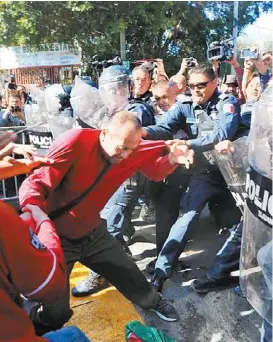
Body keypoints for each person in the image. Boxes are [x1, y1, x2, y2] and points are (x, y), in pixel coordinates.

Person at [19, 111, 194, 333]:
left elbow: (155, 171)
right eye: (122, 147)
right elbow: (36, 182)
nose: (125, 155)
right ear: (104, 133)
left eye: (132, 148)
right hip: (57, 238)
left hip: (93, 231)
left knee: (129, 272)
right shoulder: (76, 141)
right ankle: (33, 325)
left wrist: (171, 159)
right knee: (57, 313)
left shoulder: (132, 149)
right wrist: (32, 208)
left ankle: (153, 301)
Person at [143, 63, 241, 292]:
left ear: (214, 82)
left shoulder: (227, 103)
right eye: (193, 86)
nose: (196, 90)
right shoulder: (185, 105)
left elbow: (221, 134)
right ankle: (161, 271)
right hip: (205, 174)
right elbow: (165, 127)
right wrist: (143, 132)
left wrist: (187, 143)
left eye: (201, 85)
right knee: (187, 218)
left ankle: (230, 274)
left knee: (240, 227)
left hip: (232, 177)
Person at [0, 131, 89, 341]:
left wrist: (24, 166)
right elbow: (49, 285)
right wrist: (43, 223)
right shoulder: (5, 218)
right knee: (75, 335)